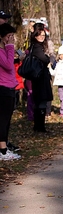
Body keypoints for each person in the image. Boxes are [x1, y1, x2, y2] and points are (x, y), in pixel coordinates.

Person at [0, 23, 21, 160]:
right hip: (2, 88)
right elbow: (8, 65)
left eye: (12, 36)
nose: (11, 39)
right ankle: (2, 151)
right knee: (2, 120)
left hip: (9, 87)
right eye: (9, 36)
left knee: (6, 121)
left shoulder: (5, 50)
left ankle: (5, 148)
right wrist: (10, 47)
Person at [30, 23, 53, 133]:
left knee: (40, 102)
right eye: (40, 35)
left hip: (40, 77)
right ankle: (40, 126)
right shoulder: (36, 47)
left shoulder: (36, 46)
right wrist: (47, 58)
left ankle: (39, 126)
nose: (42, 37)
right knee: (41, 102)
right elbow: (45, 59)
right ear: (35, 35)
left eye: (43, 36)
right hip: (39, 78)